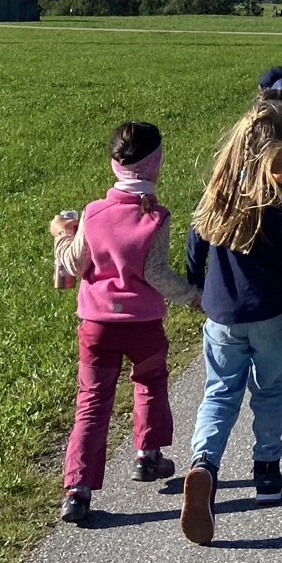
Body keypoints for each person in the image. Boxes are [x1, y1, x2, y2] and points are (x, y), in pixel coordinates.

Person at [49, 120, 199, 525]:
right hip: (143, 324)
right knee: (149, 383)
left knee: (92, 403)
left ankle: (77, 490)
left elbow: (74, 264)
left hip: (96, 325)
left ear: (115, 164)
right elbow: (157, 273)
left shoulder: (94, 213)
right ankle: (147, 455)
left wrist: (62, 235)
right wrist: (192, 296)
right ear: (156, 163)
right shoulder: (156, 217)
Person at [181, 99, 282, 544]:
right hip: (271, 315)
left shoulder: (218, 194)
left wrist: (198, 286)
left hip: (221, 313)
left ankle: (204, 466)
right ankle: (267, 473)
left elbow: (194, 247)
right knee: (269, 391)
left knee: (219, 392)